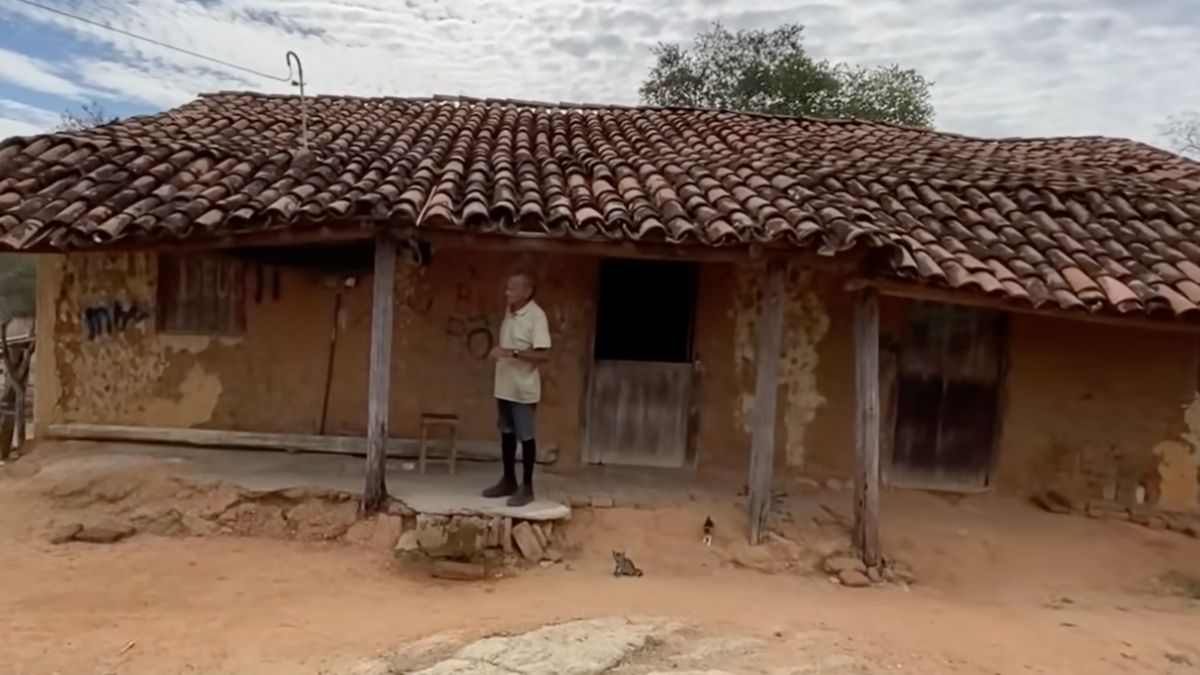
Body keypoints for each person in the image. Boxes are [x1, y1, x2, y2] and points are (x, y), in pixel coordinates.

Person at [482, 269, 551, 507]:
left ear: (527, 292)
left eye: (512, 288)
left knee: (526, 437)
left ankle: (527, 486)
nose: (507, 292)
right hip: (504, 386)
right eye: (507, 288)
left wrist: (512, 352)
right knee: (507, 434)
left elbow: (544, 355)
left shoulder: (536, 317)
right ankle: (508, 480)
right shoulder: (510, 312)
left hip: (523, 389)